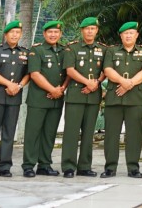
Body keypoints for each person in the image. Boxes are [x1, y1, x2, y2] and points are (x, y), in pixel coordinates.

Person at [0, 20, 30, 178]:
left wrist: (19, 86)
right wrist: (9, 84)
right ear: (6, 34)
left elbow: (27, 74)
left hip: (14, 97)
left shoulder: (24, 53)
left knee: (9, 133)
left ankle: (5, 166)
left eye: (18, 33)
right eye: (12, 32)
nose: (15, 35)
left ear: (20, 35)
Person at [102, 21, 142, 178]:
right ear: (121, 35)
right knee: (111, 134)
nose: (128, 36)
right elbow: (108, 70)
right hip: (114, 97)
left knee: (134, 134)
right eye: (125, 33)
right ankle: (110, 167)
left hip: (135, 98)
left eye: (131, 33)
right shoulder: (112, 51)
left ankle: (133, 168)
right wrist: (123, 82)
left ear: (136, 35)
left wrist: (129, 84)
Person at [22, 20, 68, 178]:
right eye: (50, 32)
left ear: (60, 34)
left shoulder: (64, 51)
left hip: (56, 99)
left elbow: (68, 72)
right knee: (32, 133)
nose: (53, 35)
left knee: (49, 133)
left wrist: (61, 89)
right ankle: (28, 165)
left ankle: (45, 164)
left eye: (56, 32)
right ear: (44, 34)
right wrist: (52, 90)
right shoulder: (37, 50)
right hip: (39, 99)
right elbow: (34, 74)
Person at [61, 16, 106, 178]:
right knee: (71, 132)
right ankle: (68, 166)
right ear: (82, 31)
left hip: (93, 96)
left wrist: (97, 82)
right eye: (87, 29)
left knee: (89, 133)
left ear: (96, 31)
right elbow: (70, 71)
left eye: (93, 28)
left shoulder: (103, 49)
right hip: (75, 95)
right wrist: (88, 82)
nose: (90, 31)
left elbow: (105, 70)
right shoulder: (71, 48)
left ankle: (85, 166)